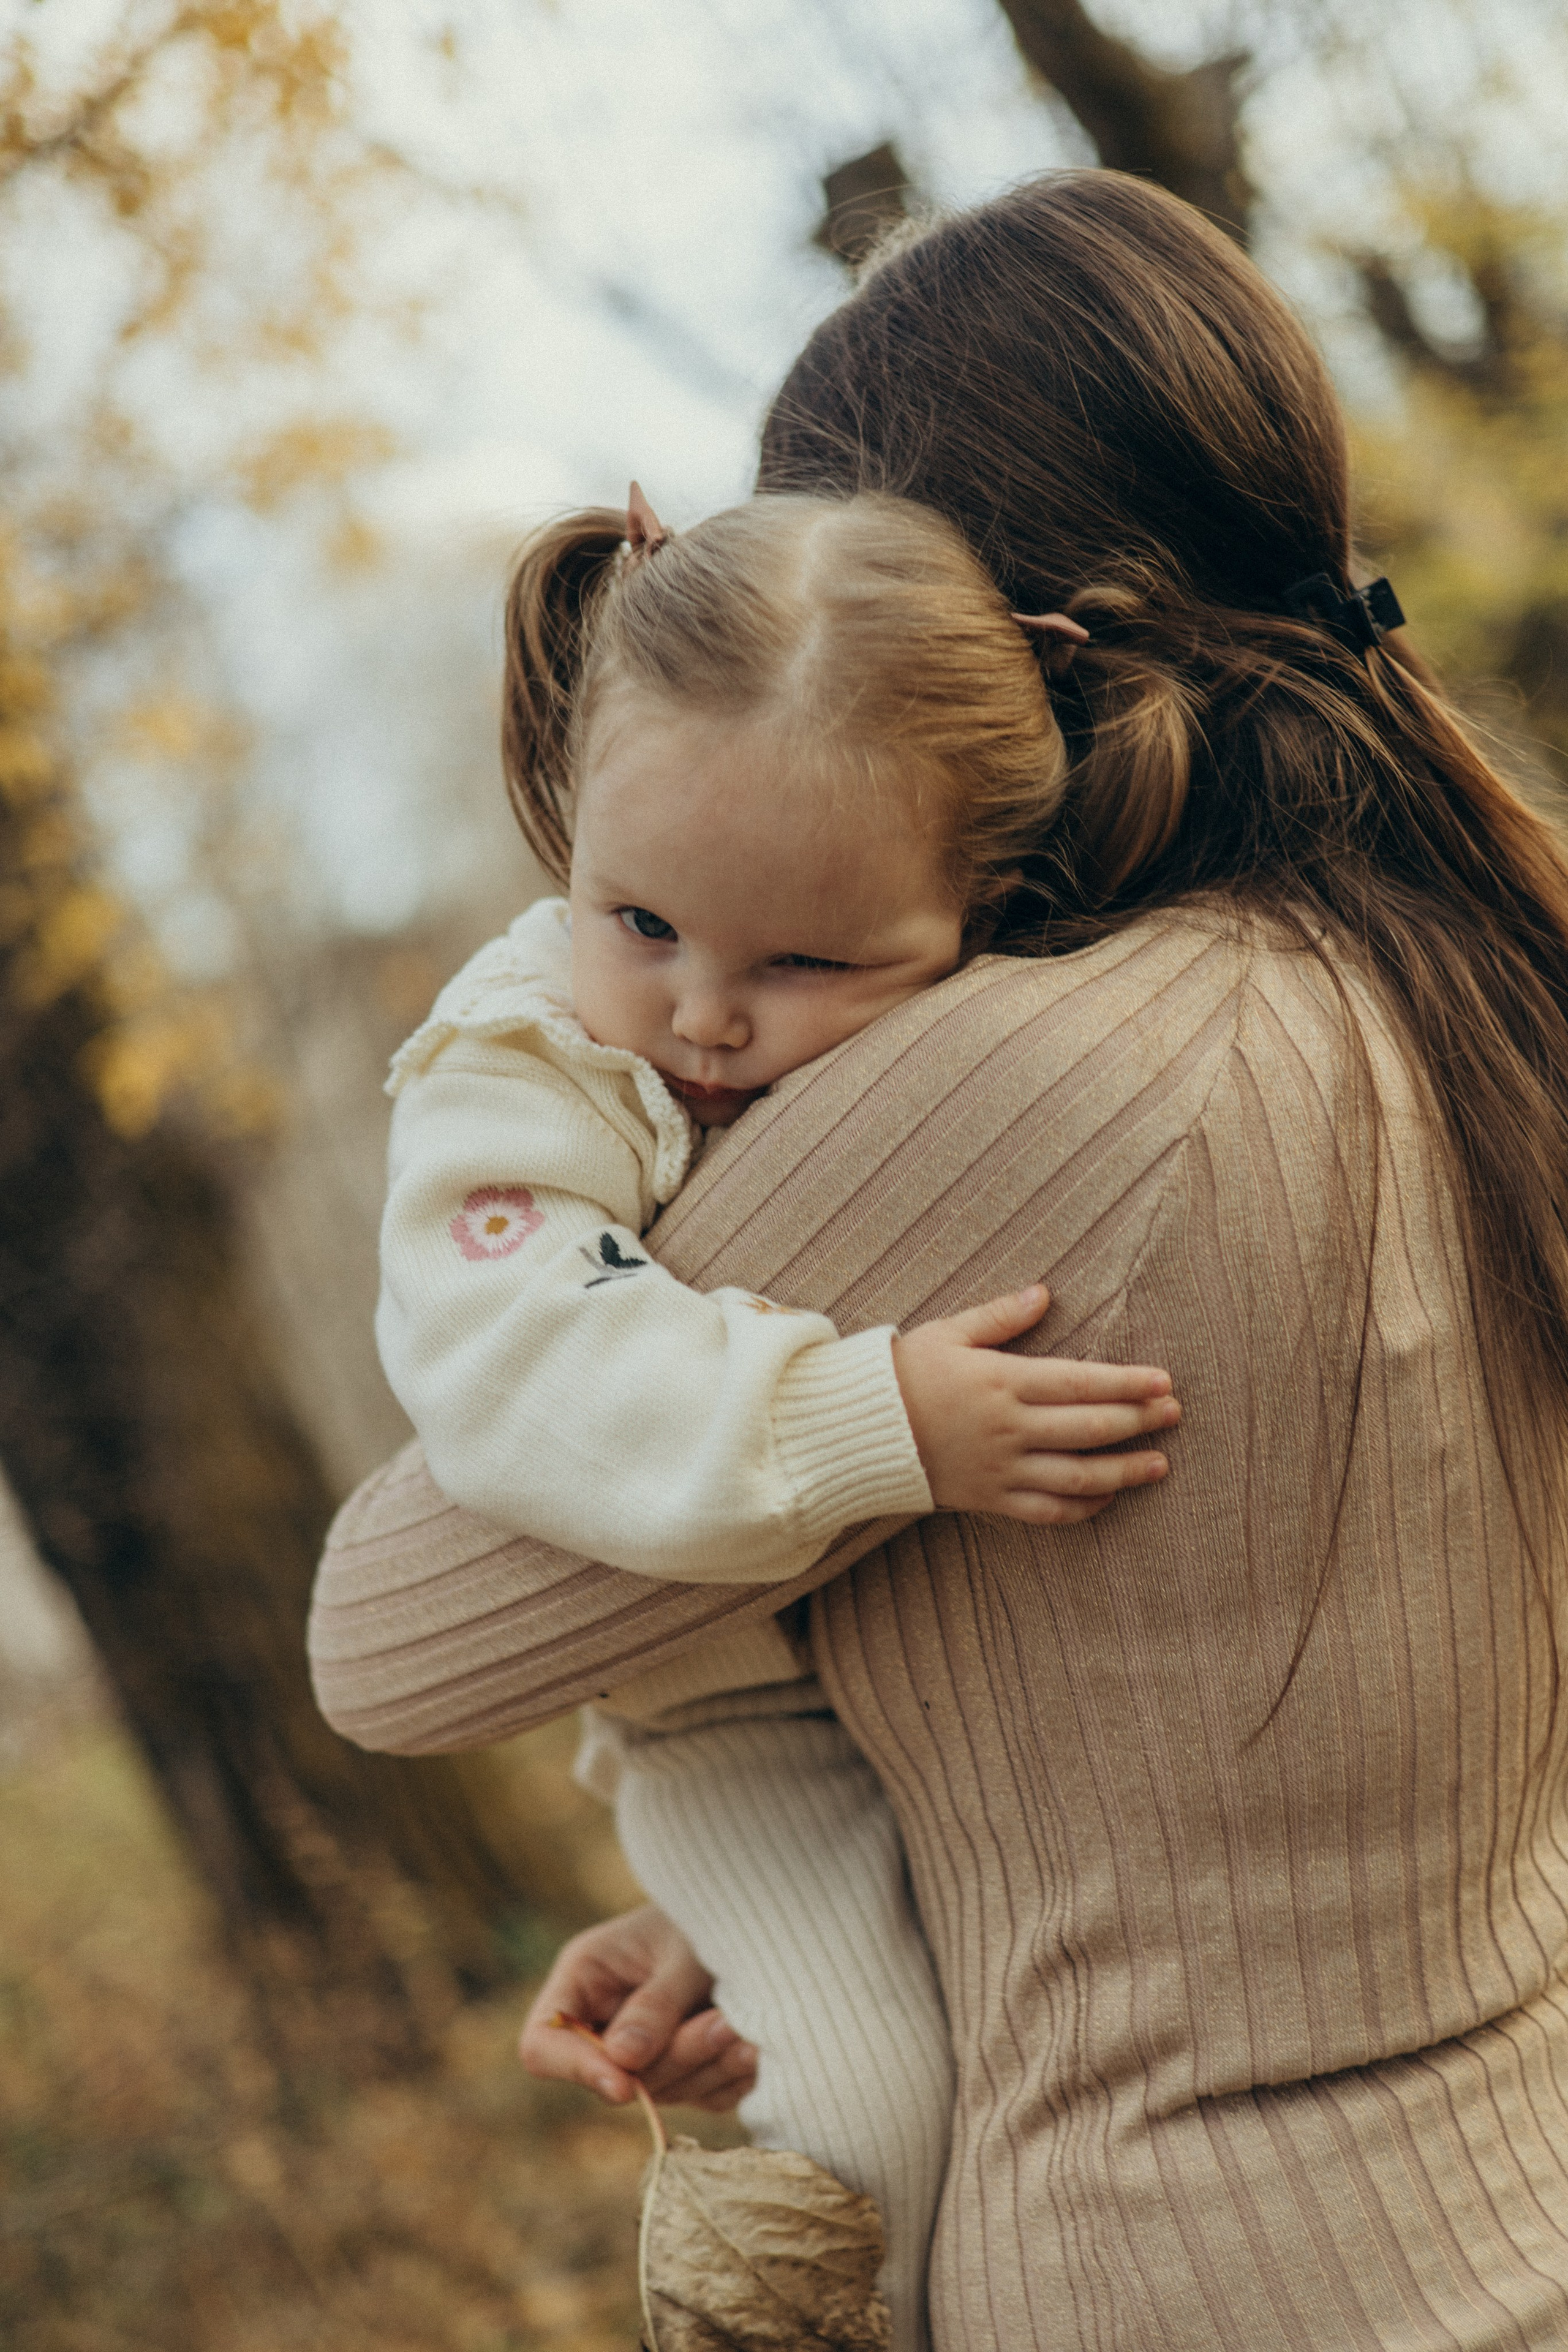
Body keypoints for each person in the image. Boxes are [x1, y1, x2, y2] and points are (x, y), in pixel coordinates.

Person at [311, 168, 1568, 2348]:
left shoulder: (1027, 1076)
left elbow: (391, 1640)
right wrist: (790, 1908)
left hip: (1200, 2275)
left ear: (999, 663)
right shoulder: (1483, 977)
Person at [375, 483, 1181, 2350]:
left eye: (805, 963)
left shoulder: (1020, 1014)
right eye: (642, 919)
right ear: (574, 833)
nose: (704, 1017)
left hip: (960, 1672)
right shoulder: (525, 1063)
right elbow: (519, 1378)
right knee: (868, 2116)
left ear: (982, 912)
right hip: (733, 1718)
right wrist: (872, 1422)